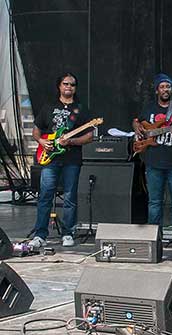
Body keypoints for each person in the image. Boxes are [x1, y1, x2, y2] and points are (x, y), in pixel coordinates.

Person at [29, 73, 93, 248]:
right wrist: (42, 141)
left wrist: (71, 141)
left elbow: (89, 137)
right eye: (65, 84)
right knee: (45, 196)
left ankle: (68, 233)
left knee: (70, 196)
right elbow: (36, 130)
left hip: (71, 159)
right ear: (59, 86)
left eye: (72, 84)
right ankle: (40, 234)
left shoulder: (81, 109)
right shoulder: (49, 107)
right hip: (50, 158)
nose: (69, 87)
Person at [132, 74, 172, 251]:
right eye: (162, 87)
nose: (165, 90)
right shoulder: (149, 107)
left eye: (168, 87)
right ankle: (153, 237)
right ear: (157, 89)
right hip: (153, 162)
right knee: (154, 202)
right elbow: (137, 122)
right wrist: (138, 129)